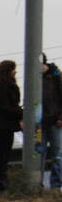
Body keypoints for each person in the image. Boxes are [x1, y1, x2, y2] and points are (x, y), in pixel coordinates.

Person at [0, 60, 23, 191]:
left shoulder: (1, 85)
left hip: (3, 124)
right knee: (4, 153)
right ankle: (0, 181)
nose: (15, 72)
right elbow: (4, 107)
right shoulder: (4, 87)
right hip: (5, 124)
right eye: (13, 69)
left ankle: (0, 181)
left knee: (3, 153)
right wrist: (20, 113)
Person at [42, 54, 62, 189]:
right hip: (40, 124)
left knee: (57, 154)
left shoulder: (55, 76)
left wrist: (60, 117)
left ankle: (56, 184)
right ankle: (37, 184)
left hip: (55, 121)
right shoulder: (33, 78)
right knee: (39, 153)